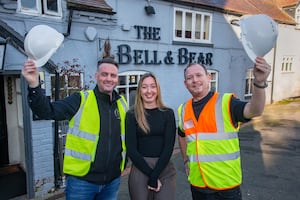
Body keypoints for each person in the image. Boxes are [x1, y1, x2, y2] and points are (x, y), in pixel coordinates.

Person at [22, 57, 128, 200]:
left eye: (113, 75)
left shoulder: (122, 104)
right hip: (82, 182)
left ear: (117, 78)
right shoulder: (81, 100)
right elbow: (47, 111)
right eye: (104, 74)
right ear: (96, 76)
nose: (109, 79)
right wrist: (34, 85)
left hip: (112, 181)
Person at [177, 57, 271, 200]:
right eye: (190, 78)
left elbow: (255, 110)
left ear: (209, 78)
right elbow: (182, 134)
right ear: (185, 84)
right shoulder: (183, 110)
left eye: (199, 75)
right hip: (198, 184)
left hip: (226, 186)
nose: (194, 80)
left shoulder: (227, 102)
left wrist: (259, 83)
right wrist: (185, 161)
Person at [125, 72, 176, 200]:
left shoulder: (168, 113)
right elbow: (131, 149)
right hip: (140, 168)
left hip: (163, 167)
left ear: (157, 89)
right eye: (144, 87)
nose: (149, 91)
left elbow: (168, 147)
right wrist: (150, 175)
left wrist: (155, 175)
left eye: (153, 86)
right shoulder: (132, 115)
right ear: (139, 91)